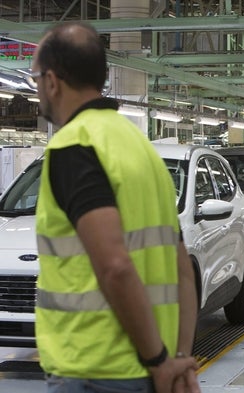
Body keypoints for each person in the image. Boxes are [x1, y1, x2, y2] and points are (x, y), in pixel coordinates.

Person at [32, 21, 201, 393]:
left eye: (35, 79)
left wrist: (158, 361)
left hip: (94, 368)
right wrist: (177, 360)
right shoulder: (142, 150)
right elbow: (182, 271)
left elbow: (115, 266)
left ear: (53, 81)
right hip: (148, 369)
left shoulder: (74, 147)